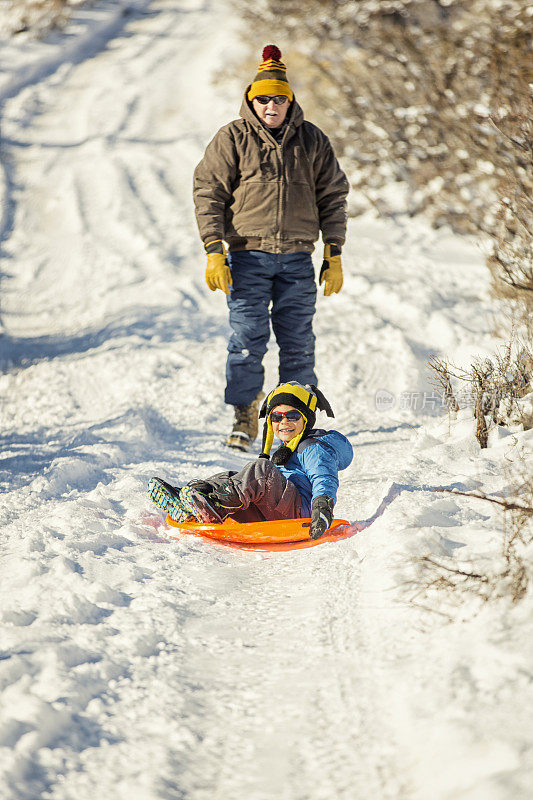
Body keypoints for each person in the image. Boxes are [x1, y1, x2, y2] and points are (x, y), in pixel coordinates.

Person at [193, 45, 349, 451]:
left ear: (290, 100)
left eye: (279, 98)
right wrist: (213, 248)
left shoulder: (312, 140)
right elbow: (208, 192)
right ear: (251, 100)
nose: (271, 105)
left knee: (298, 341)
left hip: (298, 258)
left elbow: (333, 195)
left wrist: (333, 252)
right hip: (247, 256)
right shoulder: (232, 138)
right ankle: (246, 413)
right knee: (247, 339)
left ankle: (297, 420)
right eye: (263, 98)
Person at [148, 382, 353, 540]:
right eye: (276, 417)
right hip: (276, 511)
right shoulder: (288, 447)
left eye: (292, 416)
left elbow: (324, 477)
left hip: (299, 513)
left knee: (261, 470)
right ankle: (195, 499)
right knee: (231, 477)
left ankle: (214, 506)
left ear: (306, 419)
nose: (284, 422)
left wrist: (323, 506)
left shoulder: (313, 447)